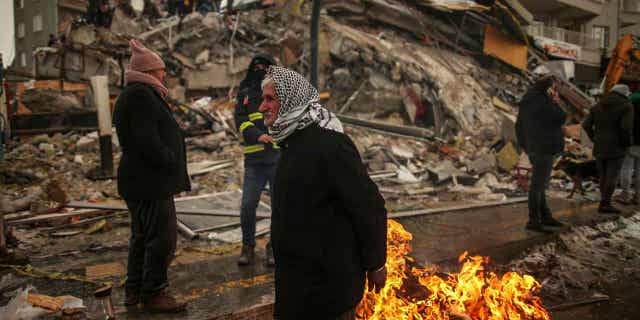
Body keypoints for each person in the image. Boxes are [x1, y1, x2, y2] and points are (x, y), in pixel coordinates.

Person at [259, 66, 388, 320]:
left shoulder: (331, 145)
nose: (262, 107)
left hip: (328, 291)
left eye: (270, 99)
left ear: (291, 101)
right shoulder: (290, 143)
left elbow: (368, 206)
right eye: (263, 99)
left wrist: (375, 263)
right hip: (295, 286)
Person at [113, 39, 190, 313]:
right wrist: (169, 159)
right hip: (150, 181)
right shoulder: (140, 96)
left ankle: (134, 290)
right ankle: (154, 293)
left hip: (142, 180)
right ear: (148, 72)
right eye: (160, 69)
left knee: (143, 236)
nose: (164, 74)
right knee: (162, 238)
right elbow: (147, 140)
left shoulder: (138, 94)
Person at [234, 53, 278, 266]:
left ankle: (274, 248)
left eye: (265, 66)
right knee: (248, 205)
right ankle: (248, 246)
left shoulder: (279, 91)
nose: (260, 69)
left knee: (279, 207)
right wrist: (257, 135)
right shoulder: (245, 92)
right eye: (257, 66)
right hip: (254, 160)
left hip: (278, 158)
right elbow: (240, 121)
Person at [516, 74, 566, 233]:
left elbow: (519, 125)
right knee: (538, 186)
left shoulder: (528, 100)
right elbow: (560, 117)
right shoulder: (544, 102)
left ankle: (545, 216)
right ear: (549, 88)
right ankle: (533, 220)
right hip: (545, 147)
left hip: (534, 147)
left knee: (540, 184)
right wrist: (557, 103)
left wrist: (525, 145)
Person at [583, 84, 634, 214]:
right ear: (624, 93)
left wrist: (594, 137)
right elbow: (625, 128)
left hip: (600, 145)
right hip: (616, 147)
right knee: (612, 176)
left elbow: (586, 125)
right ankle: (605, 204)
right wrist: (626, 143)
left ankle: (604, 201)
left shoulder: (597, 105)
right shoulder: (626, 106)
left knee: (603, 175)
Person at [618, 91, 640, 205]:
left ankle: (625, 195)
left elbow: (625, 127)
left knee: (626, 169)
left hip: (632, 143)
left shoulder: (630, 107)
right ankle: (638, 197)